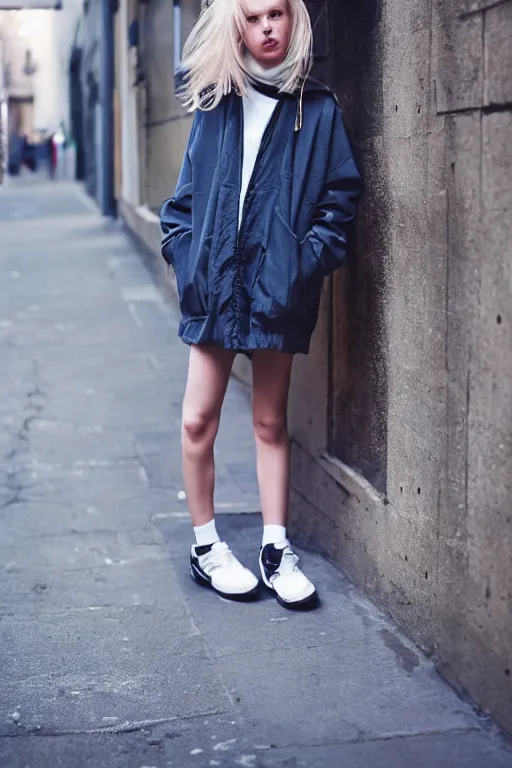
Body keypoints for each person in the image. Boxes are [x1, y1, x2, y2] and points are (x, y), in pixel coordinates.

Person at [160, 0, 362, 609]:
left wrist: (302, 264)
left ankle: (276, 548)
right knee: (199, 420)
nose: (267, 27)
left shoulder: (317, 108)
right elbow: (183, 203)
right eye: (252, 17)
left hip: (277, 287)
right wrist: (188, 258)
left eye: (276, 13)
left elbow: (340, 199)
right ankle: (206, 547)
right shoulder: (217, 104)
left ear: (294, 18)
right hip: (215, 285)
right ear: (235, 25)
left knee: (272, 422)